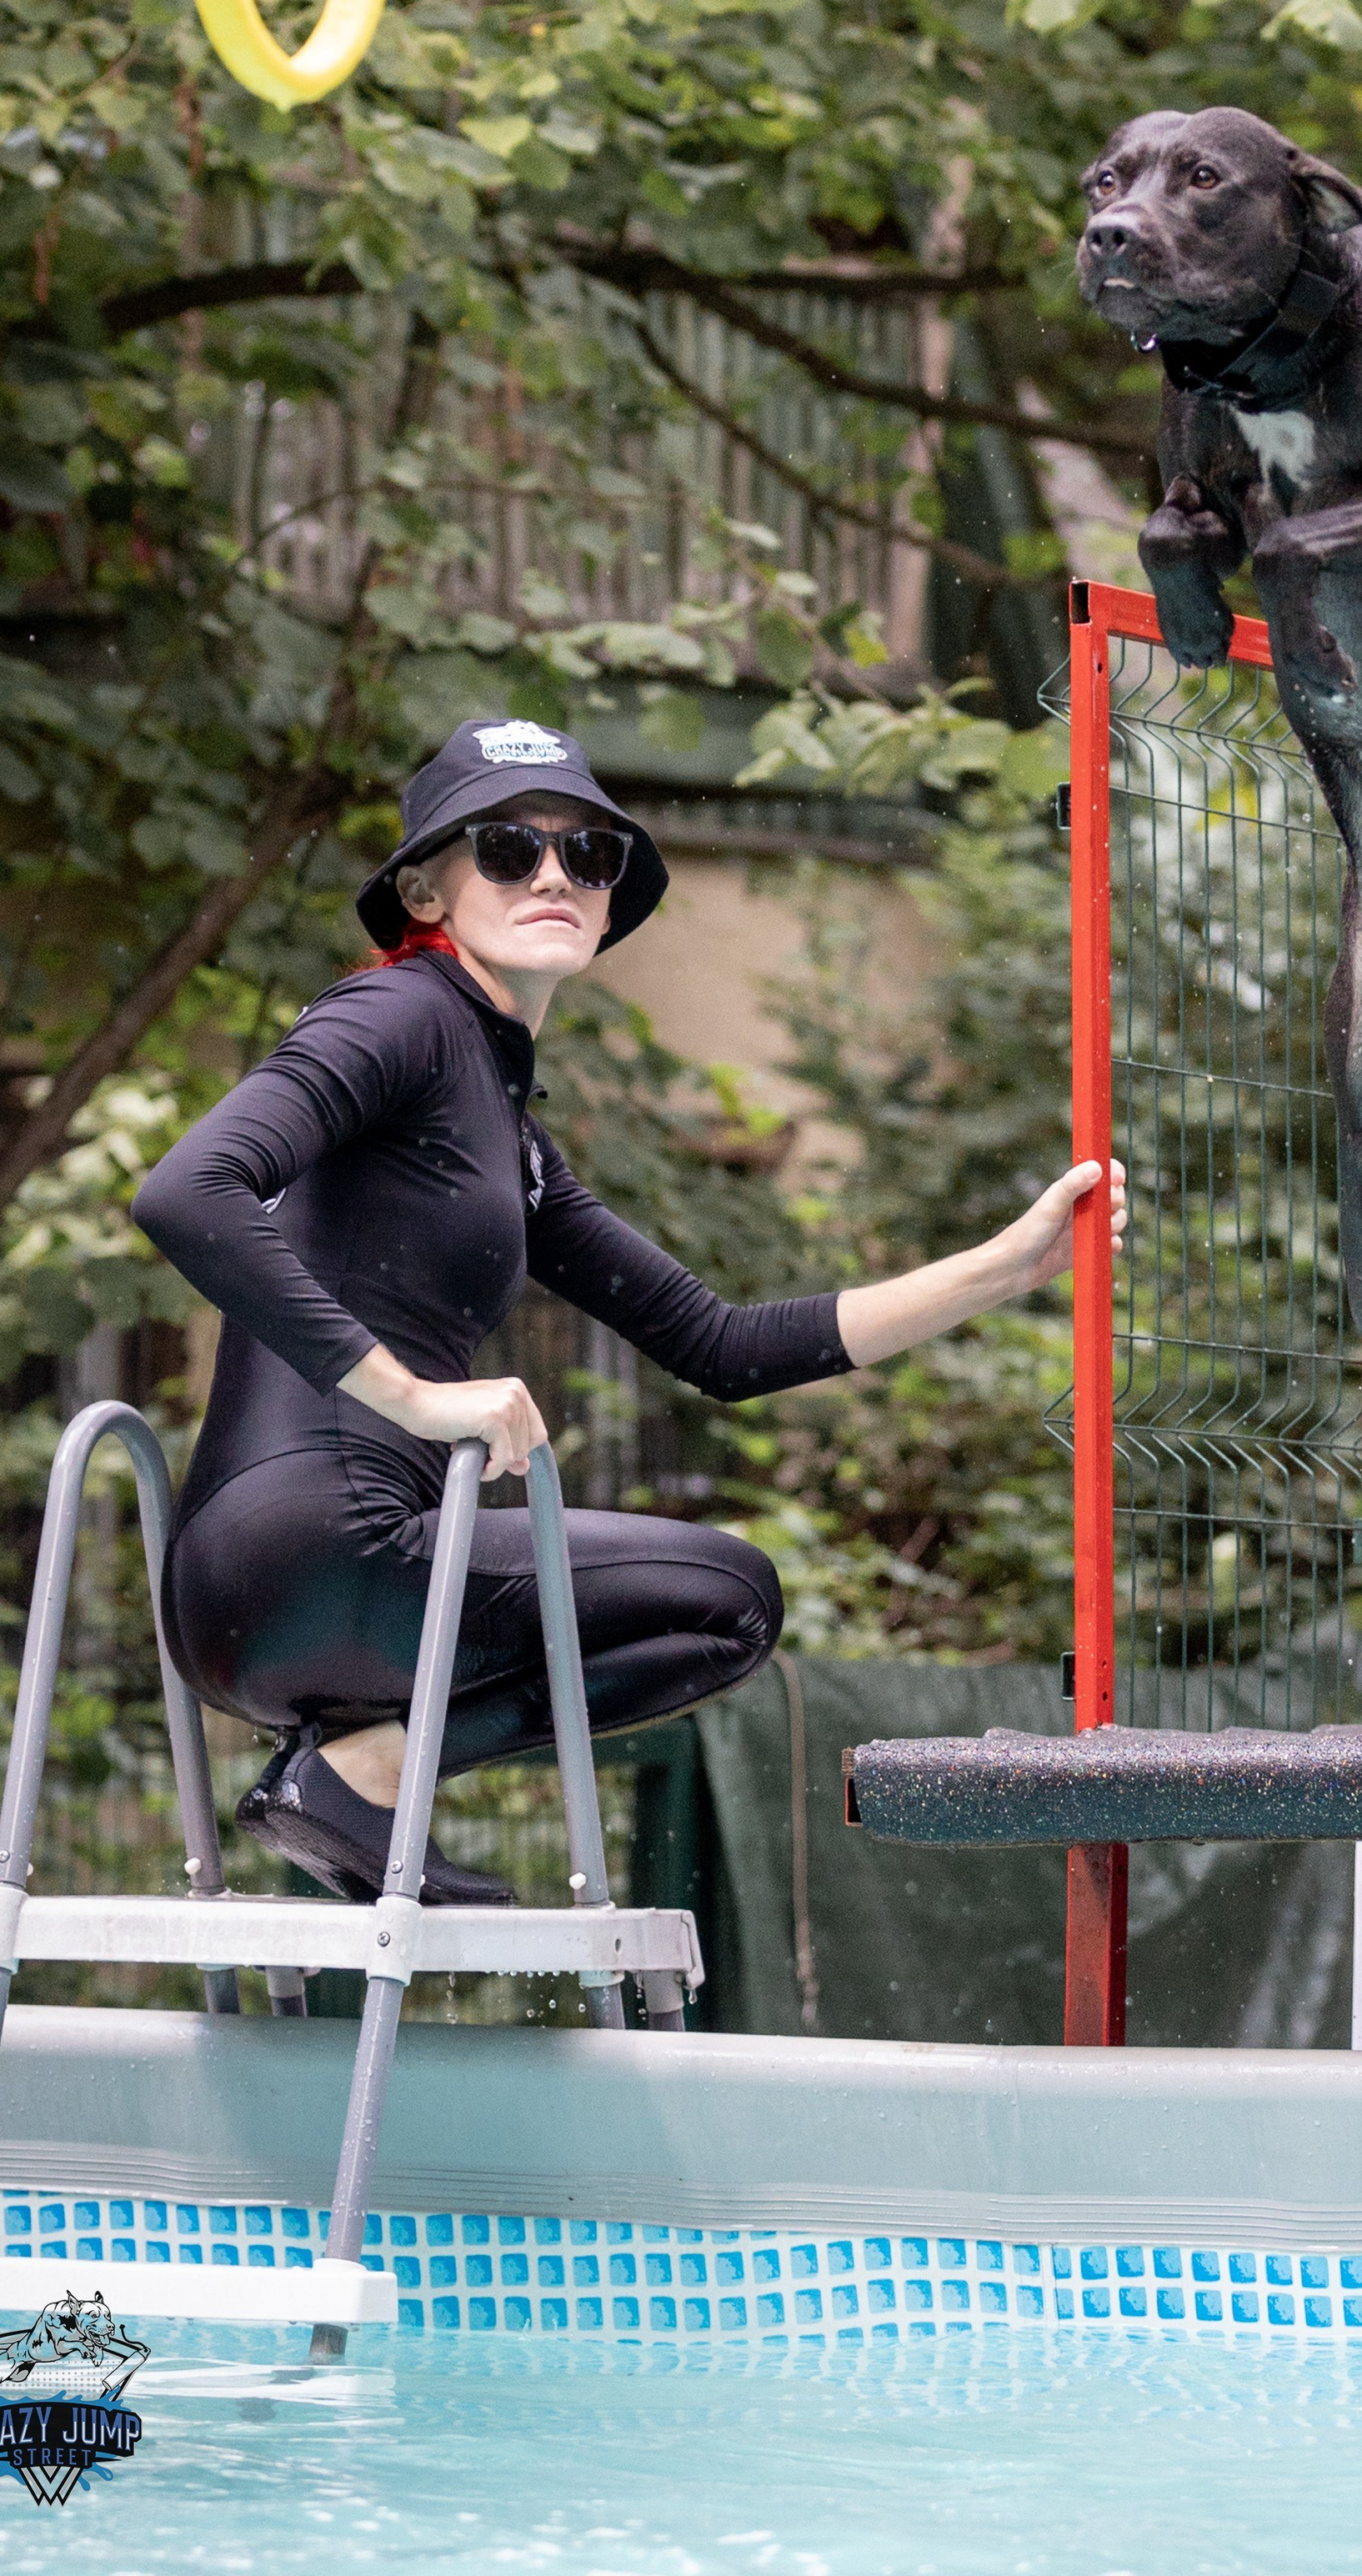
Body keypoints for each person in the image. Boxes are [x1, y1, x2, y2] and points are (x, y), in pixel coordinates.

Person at [133, 714, 1125, 1907]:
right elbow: (187, 1189)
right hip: (321, 1552)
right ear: (426, 893)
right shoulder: (399, 1014)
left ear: (609, 905)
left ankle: (362, 1773)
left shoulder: (498, 1120)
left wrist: (1008, 1270)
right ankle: (357, 1775)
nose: (553, 874)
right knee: (727, 1602)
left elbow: (724, 1347)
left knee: (723, 1603)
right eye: (505, 849)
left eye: (587, 857)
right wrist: (408, 1392)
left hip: (256, 1607)